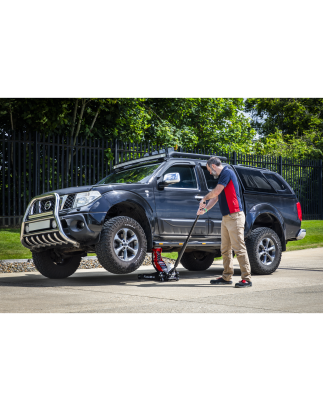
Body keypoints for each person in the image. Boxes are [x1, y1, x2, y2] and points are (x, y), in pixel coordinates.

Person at [197, 157, 252, 288]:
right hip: (226, 217)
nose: (210, 173)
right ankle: (227, 276)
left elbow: (215, 192)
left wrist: (204, 198)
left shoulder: (227, 172)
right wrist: (204, 210)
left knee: (239, 248)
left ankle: (247, 279)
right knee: (225, 249)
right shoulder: (222, 177)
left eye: (209, 170)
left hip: (235, 216)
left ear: (213, 166)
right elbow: (216, 197)